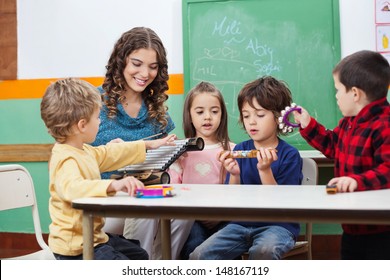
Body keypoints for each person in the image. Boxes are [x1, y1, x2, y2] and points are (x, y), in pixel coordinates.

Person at [40, 77, 176, 260]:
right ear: (82, 125)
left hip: (94, 237)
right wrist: (113, 185)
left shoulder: (83, 150)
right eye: (97, 117)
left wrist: (148, 145)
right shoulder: (66, 158)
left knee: (140, 255)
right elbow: (73, 189)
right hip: (76, 247)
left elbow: (110, 153)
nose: (99, 122)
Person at [90, 27, 192, 259]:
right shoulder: (94, 101)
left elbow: (161, 166)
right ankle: (141, 266)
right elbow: (74, 158)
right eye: (137, 63)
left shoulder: (157, 111)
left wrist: (175, 155)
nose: (145, 73)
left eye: (153, 67)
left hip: (143, 197)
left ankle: (158, 265)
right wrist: (109, 153)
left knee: (185, 212)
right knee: (147, 209)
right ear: (121, 61)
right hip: (102, 202)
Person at [190, 76, 303, 260]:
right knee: (199, 255)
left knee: (263, 252)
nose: (251, 122)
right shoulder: (241, 149)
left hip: (278, 225)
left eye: (259, 115)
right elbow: (231, 201)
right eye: (246, 115)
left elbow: (281, 204)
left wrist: (265, 171)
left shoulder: (289, 155)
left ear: (278, 117)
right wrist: (234, 174)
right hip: (240, 225)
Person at [293, 50, 390, 260]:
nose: (336, 96)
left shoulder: (384, 125)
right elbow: (332, 145)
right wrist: (308, 125)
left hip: (382, 231)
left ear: (355, 94)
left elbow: (387, 171)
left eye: (338, 90)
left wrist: (356, 182)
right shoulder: (349, 123)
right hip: (352, 227)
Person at [168, 81, 235, 259]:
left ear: (222, 115)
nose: (207, 117)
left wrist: (220, 215)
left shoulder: (232, 150)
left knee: (224, 248)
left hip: (224, 217)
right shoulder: (181, 151)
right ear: (189, 115)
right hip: (191, 219)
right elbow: (172, 189)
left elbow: (238, 192)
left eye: (214, 111)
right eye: (200, 112)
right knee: (192, 245)